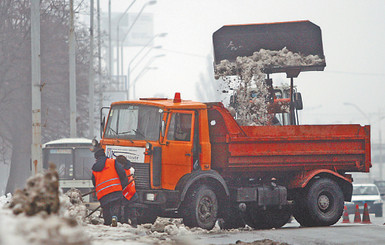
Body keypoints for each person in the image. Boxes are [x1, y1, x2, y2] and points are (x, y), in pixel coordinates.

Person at [91, 146, 128, 226]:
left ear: (96, 158)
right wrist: (122, 185)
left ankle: (107, 223)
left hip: (103, 193)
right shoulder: (112, 162)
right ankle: (115, 218)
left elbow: (94, 182)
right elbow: (122, 173)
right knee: (115, 206)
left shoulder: (94, 168)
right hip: (115, 190)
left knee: (106, 209)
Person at [116, 155, 139, 228]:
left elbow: (123, 182)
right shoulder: (129, 169)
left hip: (127, 192)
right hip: (131, 192)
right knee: (129, 208)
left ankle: (128, 223)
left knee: (127, 208)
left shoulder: (123, 171)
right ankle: (129, 222)